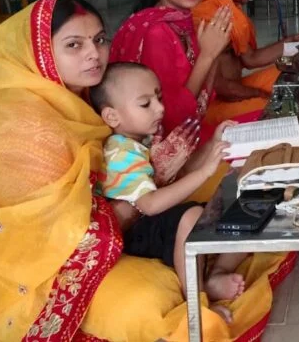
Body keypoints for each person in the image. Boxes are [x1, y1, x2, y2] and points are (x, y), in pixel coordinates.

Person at [0, 0, 295, 341]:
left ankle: (207, 271)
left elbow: (137, 160)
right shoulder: (24, 129)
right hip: (54, 262)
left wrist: (174, 168)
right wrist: (144, 193)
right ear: (41, 52)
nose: (93, 53)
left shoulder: (90, 93)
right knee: (143, 302)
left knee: (239, 187)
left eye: (100, 39)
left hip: (135, 209)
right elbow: (52, 235)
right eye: (74, 45)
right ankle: (197, 290)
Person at [92, 62, 245, 323]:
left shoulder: (140, 139)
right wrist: (205, 172)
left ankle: (215, 275)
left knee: (238, 207)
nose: (160, 108)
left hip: (156, 222)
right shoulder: (120, 152)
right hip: (136, 234)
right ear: (112, 117)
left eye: (158, 98)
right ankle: (198, 306)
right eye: (145, 104)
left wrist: (213, 144)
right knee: (191, 216)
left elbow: (181, 173)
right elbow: (149, 205)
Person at [110, 0, 234, 143]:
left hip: (192, 129)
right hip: (163, 146)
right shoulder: (156, 32)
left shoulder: (183, 23)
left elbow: (202, 100)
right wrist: (207, 56)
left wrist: (214, 52)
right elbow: (171, 117)